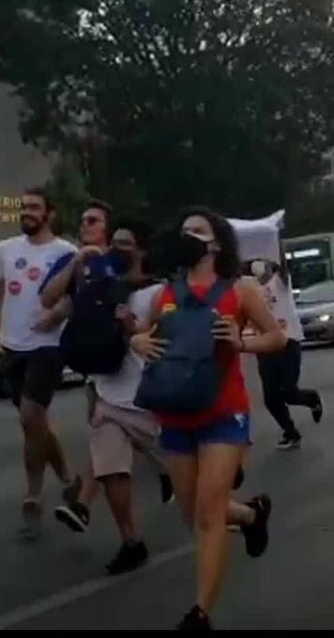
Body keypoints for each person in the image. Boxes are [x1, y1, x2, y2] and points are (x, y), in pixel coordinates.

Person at [130, 207, 286, 630]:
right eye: (184, 231)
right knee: (191, 512)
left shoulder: (241, 290)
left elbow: (277, 336)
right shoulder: (164, 294)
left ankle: (200, 613)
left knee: (209, 510)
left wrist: (242, 340)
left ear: (216, 242)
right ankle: (252, 516)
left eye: (197, 231)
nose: (189, 236)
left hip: (223, 412)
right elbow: (141, 335)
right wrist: (139, 341)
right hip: (175, 413)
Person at [49, 219, 172, 575]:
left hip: (153, 404)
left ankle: (231, 509)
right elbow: (54, 309)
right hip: (108, 398)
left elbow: (172, 337)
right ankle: (131, 541)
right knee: (110, 471)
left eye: (126, 243)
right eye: (113, 243)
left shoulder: (157, 293)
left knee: (193, 478)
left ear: (142, 250)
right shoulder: (96, 289)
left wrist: (137, 328)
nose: (117, 249)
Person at [0, 188, 83, 540]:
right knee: (36, 423)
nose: (26, 212)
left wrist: (56, 315)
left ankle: (33, 496)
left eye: (34, 207)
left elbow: (75, 298)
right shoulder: (4, 250)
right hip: (13, 348)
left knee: (30, 417)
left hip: (47, 346)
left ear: (50, 215)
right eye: (23, 207)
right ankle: (71, 482)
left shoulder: (67, 253)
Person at [250, 256, 323, 450]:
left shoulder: (280, 283)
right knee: (270, 398)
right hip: (265, 347)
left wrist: (276, 238)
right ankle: (290, 433)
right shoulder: (252, 292)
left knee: (289, 392)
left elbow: (281, 262)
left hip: (288, 342)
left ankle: (311, 398)